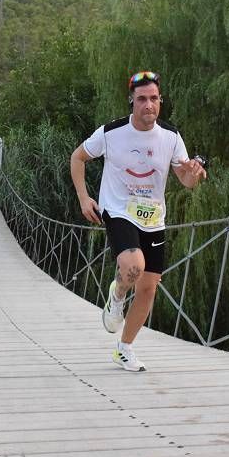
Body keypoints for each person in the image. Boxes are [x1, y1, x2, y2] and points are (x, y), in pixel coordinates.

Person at [70, 71, 206, 372]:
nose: (148, 105)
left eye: (154, 99)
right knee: (134, 266)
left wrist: (193, 174)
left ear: (160, 102)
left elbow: (184, 179)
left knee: (148, 288)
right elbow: (77, 158)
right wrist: (83, 198)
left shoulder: (171, 137)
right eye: (142, 99)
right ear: (132, 100)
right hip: (118, 210)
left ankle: (125, 349)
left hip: (154, 218)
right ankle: (117, 295)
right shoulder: (111, 132)